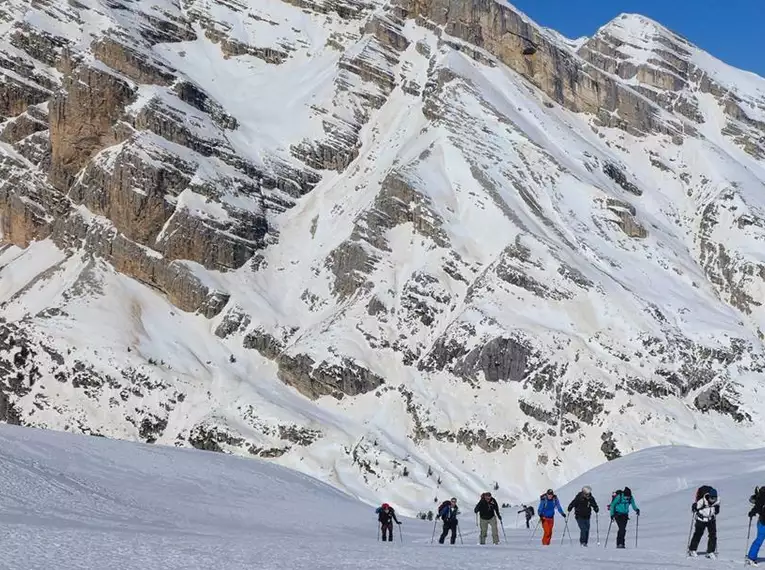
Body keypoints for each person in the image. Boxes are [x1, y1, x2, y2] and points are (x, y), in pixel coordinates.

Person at [688, 486, 719, 558]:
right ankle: (692, 550)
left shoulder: (717, 501)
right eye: (712, 498)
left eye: (715, 498)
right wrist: (694, 507)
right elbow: (695, 507)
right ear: (709, 496)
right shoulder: (702, 501)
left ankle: (710, 551)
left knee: (713, 535)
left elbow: (717, 509)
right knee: (698, 534)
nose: (713, 500)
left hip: (711, 520)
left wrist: (717, 510)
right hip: (701, 519)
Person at [747, 486, 765, 565]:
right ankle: (751, 558)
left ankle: (751, 557)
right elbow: (757, 507)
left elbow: (756, 507)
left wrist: (752, 513)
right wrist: (752, 512)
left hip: (762, 522)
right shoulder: (761, 499)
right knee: (759, 540)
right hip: (763, 523)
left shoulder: (760, 499)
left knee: (758, 540)